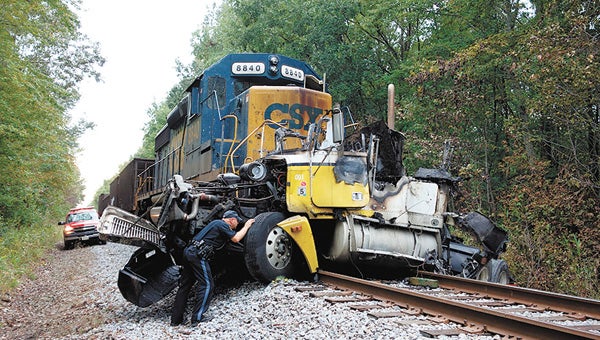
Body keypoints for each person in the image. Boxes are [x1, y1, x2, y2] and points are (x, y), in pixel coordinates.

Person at [171, 210, 254, 326]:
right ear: (232, 220)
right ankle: (197, 318)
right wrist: (247, 225)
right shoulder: (222, 225)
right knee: (207, 284)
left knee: (185, 286)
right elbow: (236, 239)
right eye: (237, 223)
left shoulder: (214, 224)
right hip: (197, 255)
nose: (236, 226)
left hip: (189, 251)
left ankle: (176, 320)